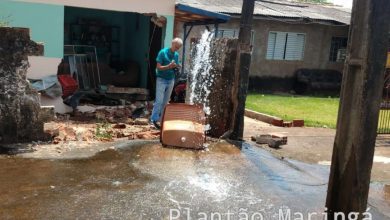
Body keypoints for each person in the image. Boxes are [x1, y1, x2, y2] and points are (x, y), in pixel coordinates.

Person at [150, 38, 183, 129]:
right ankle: (153, 120)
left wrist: (177, 65)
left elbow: (176, 65)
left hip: (171, 79)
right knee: (159, 101)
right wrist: (169, 66)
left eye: (179, 47)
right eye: (176, 46)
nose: (177, 49)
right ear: (172, 43)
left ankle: (161, 120)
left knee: (165, 102)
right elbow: (158, 67)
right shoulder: (162, 53)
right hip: (161, 79)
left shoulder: (176, 54)